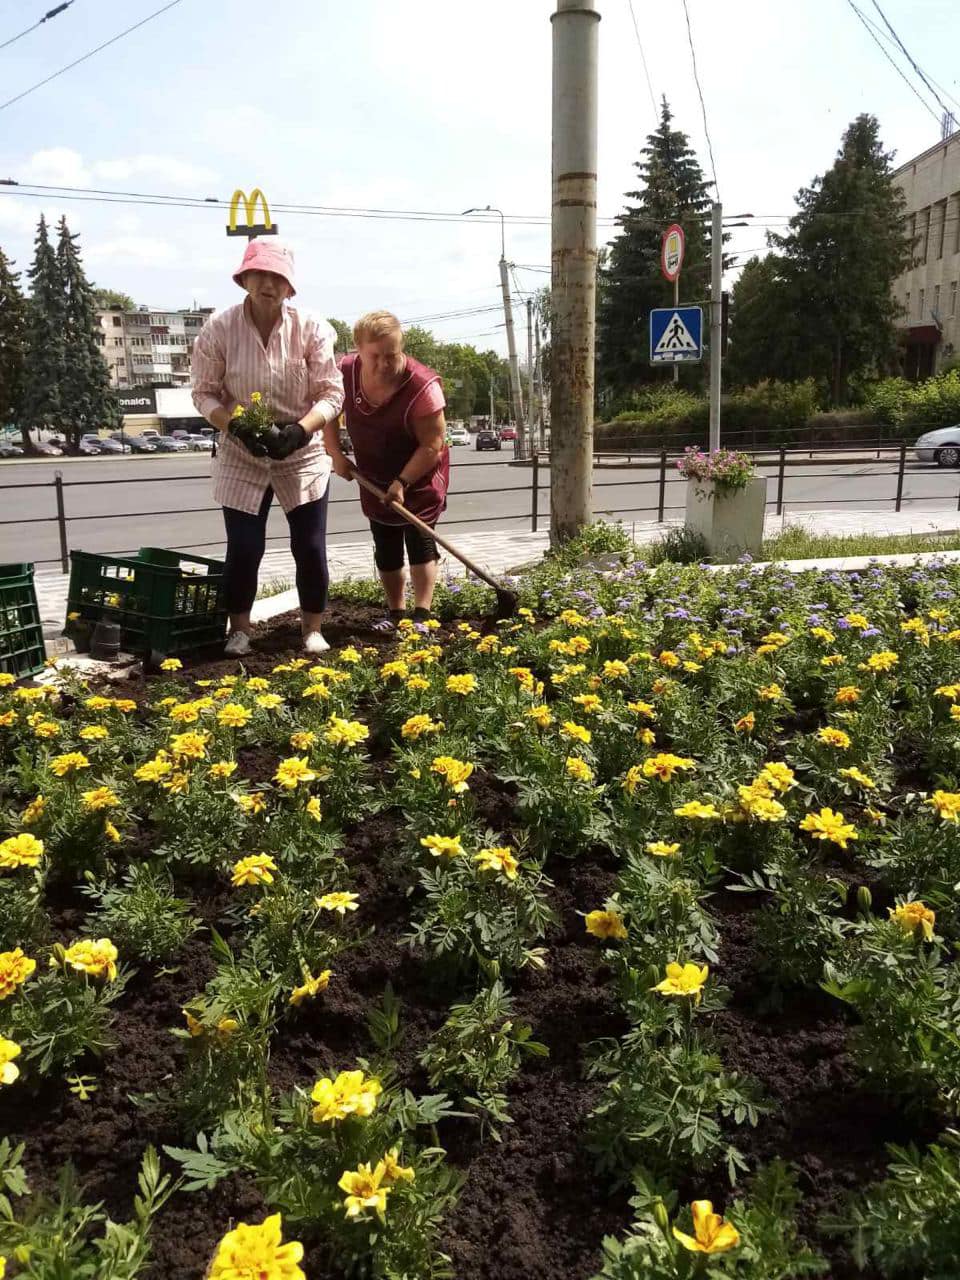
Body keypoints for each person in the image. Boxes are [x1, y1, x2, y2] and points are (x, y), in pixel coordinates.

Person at [191, 238, 344, 656]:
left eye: (278, 277)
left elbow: (332, 394)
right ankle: (239, 629)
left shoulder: (312, 328)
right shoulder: (219, 329)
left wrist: (299, 430)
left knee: (309, 545)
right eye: (260, 275)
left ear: (290, 287)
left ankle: (312, 628)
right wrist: (236, 426)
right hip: (242, 452)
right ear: (245, 279)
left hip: (301, 450)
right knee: (244, 547)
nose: (268, 284)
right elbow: (203, 393)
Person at [324, 311, 448, 629]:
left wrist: (403, 481)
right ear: (358, 350)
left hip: (418, 472)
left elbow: (432, 444)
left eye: (391, 355)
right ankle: (395, 612)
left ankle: (422, 613)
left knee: (419, 538)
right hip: (373, 471)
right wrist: (336, 454)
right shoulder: (343, 372)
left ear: (401, 348)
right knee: (385, 540)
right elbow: (326, 410)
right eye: (374, 356)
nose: (383, 364)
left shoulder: (422, 386)